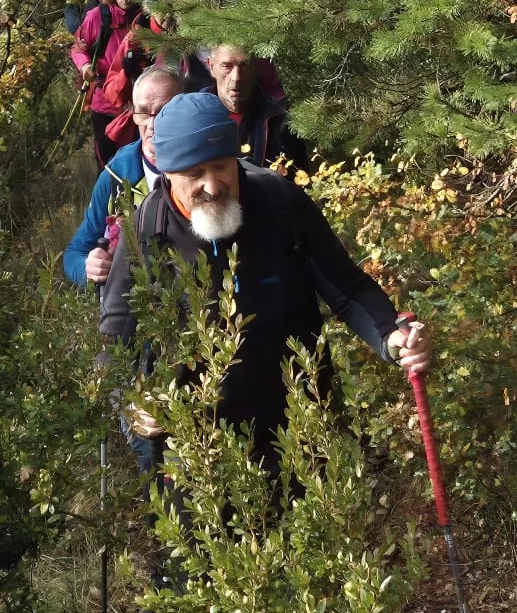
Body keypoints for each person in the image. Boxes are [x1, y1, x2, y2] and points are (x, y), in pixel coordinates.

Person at [100, 92, 428, 460]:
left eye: (222, 166)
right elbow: (115, 337)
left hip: (302, 425)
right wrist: (130, 401)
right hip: (201, 450)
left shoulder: (280, 202)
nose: (212, 186)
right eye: (194, 174)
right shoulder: (146, 230)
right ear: (166, 172)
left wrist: (389, 334)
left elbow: (346, 287)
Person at [63, 67, 184, 287]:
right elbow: (74, 253)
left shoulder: (203, 170)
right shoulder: (116, 175)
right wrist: (89, 268)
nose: (153, 125)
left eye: (164, 111)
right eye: (143, 113)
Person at [71, 0, 149, 168]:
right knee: (107, 166)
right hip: (104, 103)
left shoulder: (143, 18)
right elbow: (78, 48)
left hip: (137, 103)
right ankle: (107, 199)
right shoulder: (98, 17)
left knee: (136, 164)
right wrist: (85, 65)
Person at [203, 43, 308, 174]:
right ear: (211, 66)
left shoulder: (279, 122)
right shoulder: (193, 117)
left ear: (255, 67)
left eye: (244, 65)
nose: (236, 77)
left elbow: (299, 183)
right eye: (227, 66)